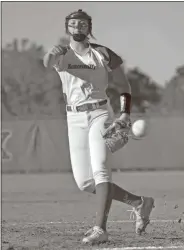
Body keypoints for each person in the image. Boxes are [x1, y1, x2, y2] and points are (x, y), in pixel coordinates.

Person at [43, 9, 155, 245]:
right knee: (85, 182)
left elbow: (124, 84)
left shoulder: (102, 53)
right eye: (73, 23)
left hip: (100, 113)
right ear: (67, 28)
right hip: (73, 118)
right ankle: (139, 202)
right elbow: (46, 63)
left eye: (82, 23)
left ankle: (100, 229)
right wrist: (50, 53)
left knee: (100, 169)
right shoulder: (61, 54)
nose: (77, 27)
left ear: (88, 27)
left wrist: (124, 113)